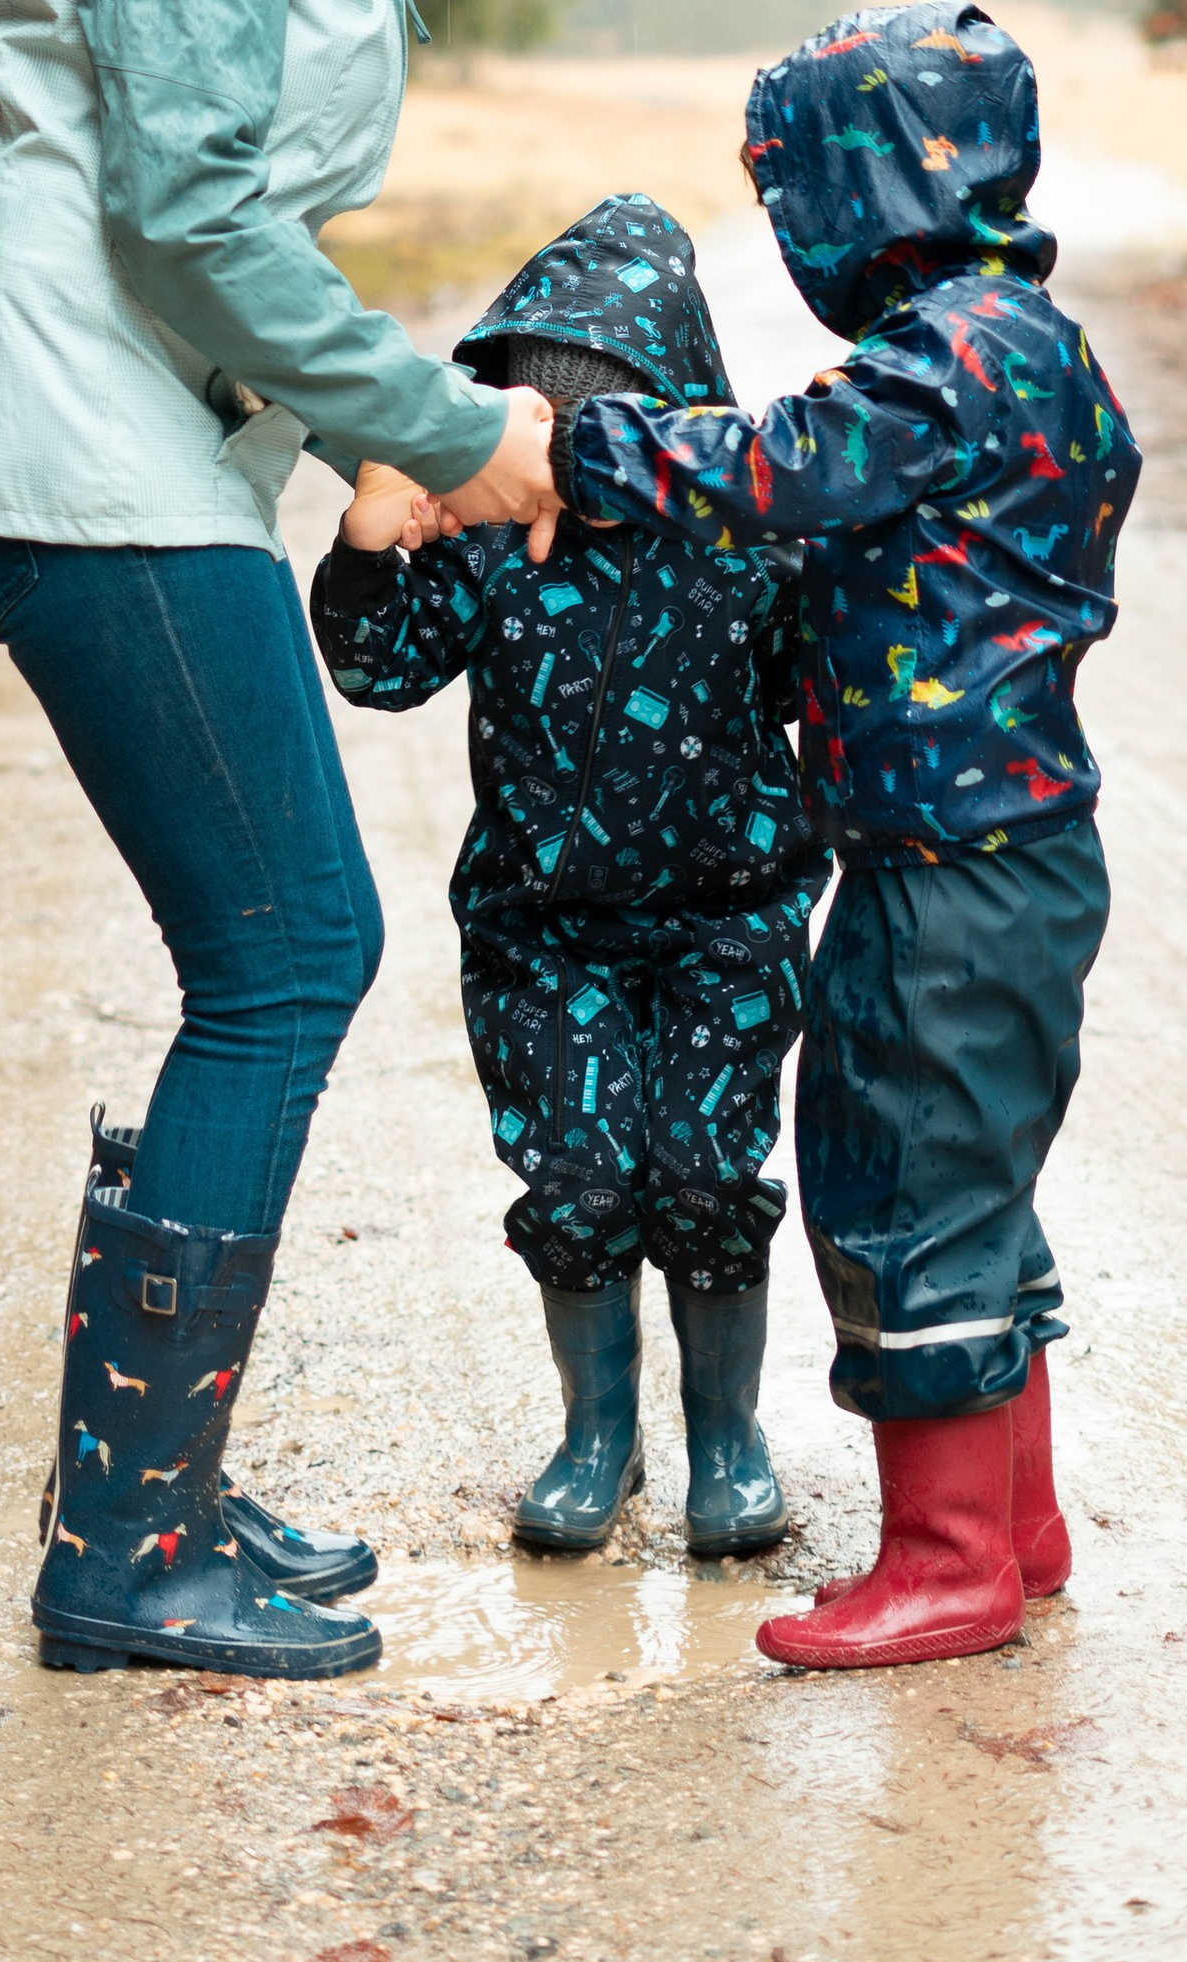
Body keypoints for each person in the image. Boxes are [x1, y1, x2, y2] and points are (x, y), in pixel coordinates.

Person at [0, 0, 573, 1680]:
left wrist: (351, 428)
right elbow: (181, 209)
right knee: (285, 951)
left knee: (265, 951)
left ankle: (152, 1497)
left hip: (127, 442)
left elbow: (215, 195)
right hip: (80, 450)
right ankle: (123, 1557)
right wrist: (441, 427)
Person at [543, 2, 1141, 1671]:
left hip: (943, 868)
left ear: (866, 191)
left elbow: (781, 467)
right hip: (1015, 852)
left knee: (899, 1172)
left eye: (796, 190)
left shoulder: (947, 358)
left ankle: (947, 1563)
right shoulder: (1035, 345)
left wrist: (574, 446)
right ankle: (1015, 1526)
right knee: (982, 1177)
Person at [307, 197, 824, 1557]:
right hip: (546, 933)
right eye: (546, 433)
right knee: (579, 1190)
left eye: (610, 435)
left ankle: (729, 1440)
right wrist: (375, 529)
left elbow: (822, 691)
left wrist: (845, 519)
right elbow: (378, 670)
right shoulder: (482, 550)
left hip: (730, 918)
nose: (576, 470)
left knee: (708, 1181)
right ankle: (599, 1436)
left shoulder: (747, 544)